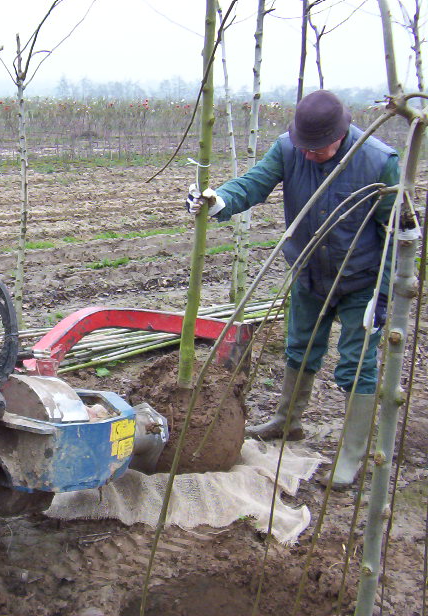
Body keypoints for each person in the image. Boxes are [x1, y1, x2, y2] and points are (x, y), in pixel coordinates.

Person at [186, 90, 399, 488]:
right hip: (308, 274)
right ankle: (288, 422)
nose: (307, 154)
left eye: (317, 149)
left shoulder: (378, 161)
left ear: (342, 134)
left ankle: (352, 453)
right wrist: (218, 200)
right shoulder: (288, 149)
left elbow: (396, 232)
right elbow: (253, 184)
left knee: (357, 364)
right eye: (303, 146)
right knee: (300, 347)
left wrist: (385, 294)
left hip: (361, 281)